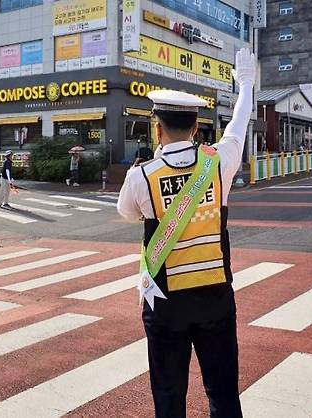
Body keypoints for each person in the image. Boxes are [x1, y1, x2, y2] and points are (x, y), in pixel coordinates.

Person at [117, 48, 255, 418]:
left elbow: (127, 214)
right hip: (215, 296)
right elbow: (239, 125)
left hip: (165, 302)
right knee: (223, 394)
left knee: (168, 395)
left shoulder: (141, 176)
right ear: (196, 128)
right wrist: (246, 84)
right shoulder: (218, 163)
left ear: (157, 128)